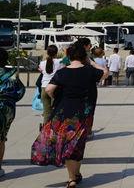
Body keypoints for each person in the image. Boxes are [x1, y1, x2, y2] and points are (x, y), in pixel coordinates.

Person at [31, 40, 108, 187]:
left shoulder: (62, 72)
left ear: (70, 57)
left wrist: (58, 99)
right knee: (78, 144)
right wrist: (91, 63)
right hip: (83, 114)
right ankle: (75, 175)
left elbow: (48, 90)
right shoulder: (89, 71)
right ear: (84, 56)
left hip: (64, 112)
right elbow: (105, 73)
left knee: (68, 143)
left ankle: (72, 177)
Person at [0, 47, 26, 178]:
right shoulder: (12, 73)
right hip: (6, 109)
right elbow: (20, 91)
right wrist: (10, 99)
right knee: (1, 138)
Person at [38, 45, 62, 124]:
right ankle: (55, 128)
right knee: (56, 110)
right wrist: (65, 51)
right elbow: (66, 60)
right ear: (56, 53)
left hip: (44, 88)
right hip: (54, 88)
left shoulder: (42, 63)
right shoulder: (59, 62)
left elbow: (41, 69)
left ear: (47, 53)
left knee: (46, 112)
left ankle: (46, 129)